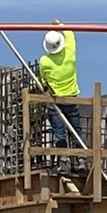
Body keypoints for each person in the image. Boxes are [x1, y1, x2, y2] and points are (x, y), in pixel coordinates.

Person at [38, 19, 84, 155]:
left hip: (55, 101)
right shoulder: (70, 54)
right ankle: (81, 159)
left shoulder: (44, 61)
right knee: (75, 130)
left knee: (59, 132)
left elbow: (43, 78)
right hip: (72, 98)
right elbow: (70, 33)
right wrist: (59, 25)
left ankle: (64, 159)